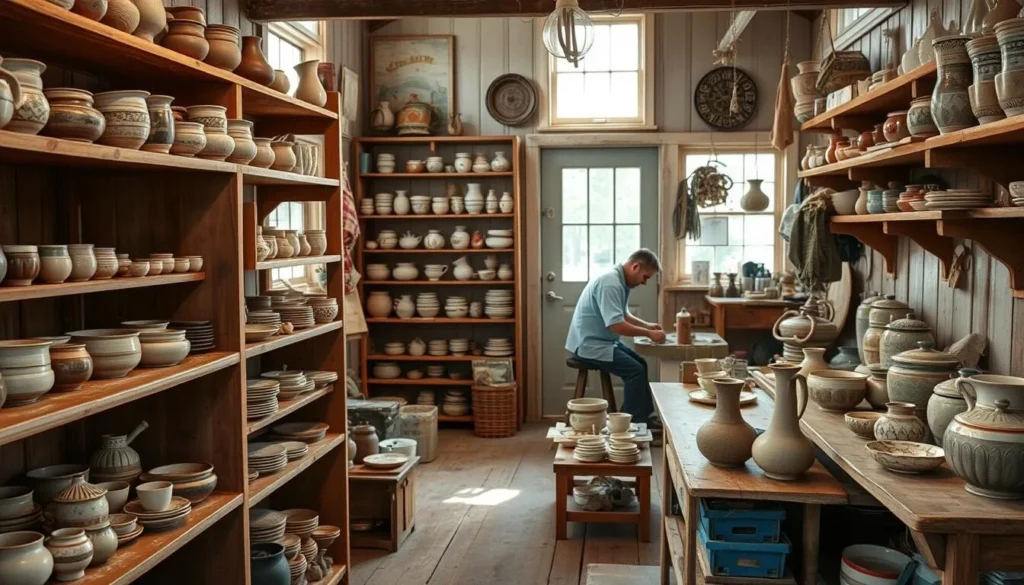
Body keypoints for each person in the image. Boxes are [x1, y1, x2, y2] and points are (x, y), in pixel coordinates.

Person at [565, 248, 665, 424]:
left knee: (641, 364)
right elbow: (616, 325)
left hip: (602, 341)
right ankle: (634, 422)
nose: (644, 283)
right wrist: (649, 333)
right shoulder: (611, 283)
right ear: (635, 267)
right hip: (589, 345)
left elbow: (622, 315)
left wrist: (647, 325)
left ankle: (643, 416)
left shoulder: (619, 280)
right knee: (635, 371)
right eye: (645, 277)